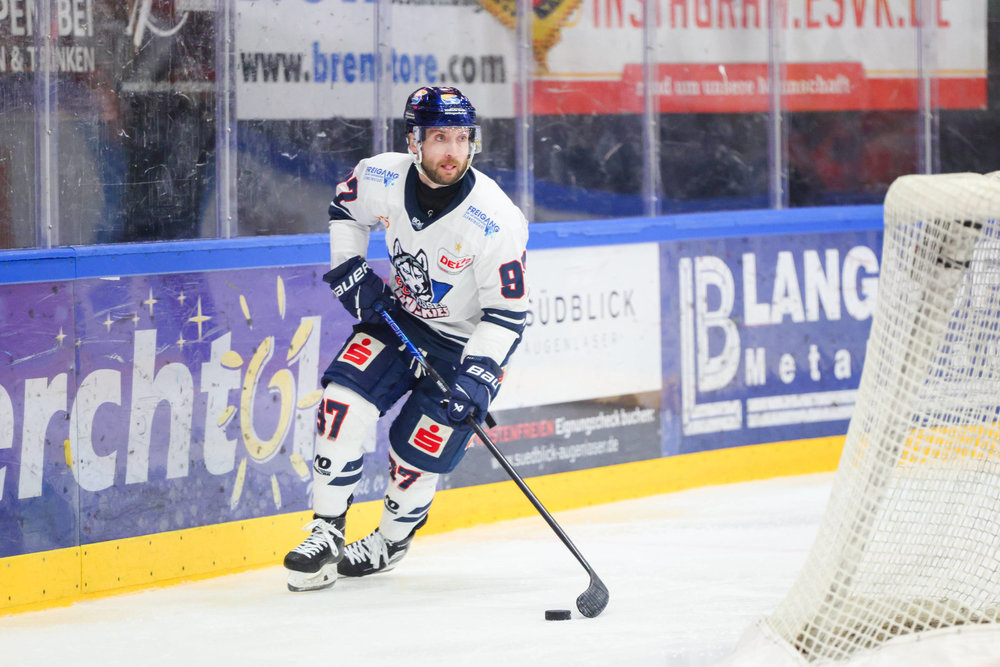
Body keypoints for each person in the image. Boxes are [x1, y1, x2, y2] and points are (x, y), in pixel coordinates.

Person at [283, 86, 530, 592]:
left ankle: (391, 541)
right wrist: (349, 268)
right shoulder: (381, 174)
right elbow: (346, 211)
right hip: (399, 321)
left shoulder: (497, 219)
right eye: (440, 137)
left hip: (463, 346)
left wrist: (477, 380)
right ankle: (325, 531)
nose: (453, 151)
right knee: (342, 401)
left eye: (462, 138)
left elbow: (507, 313)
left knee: (414, 455)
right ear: (414, 141)